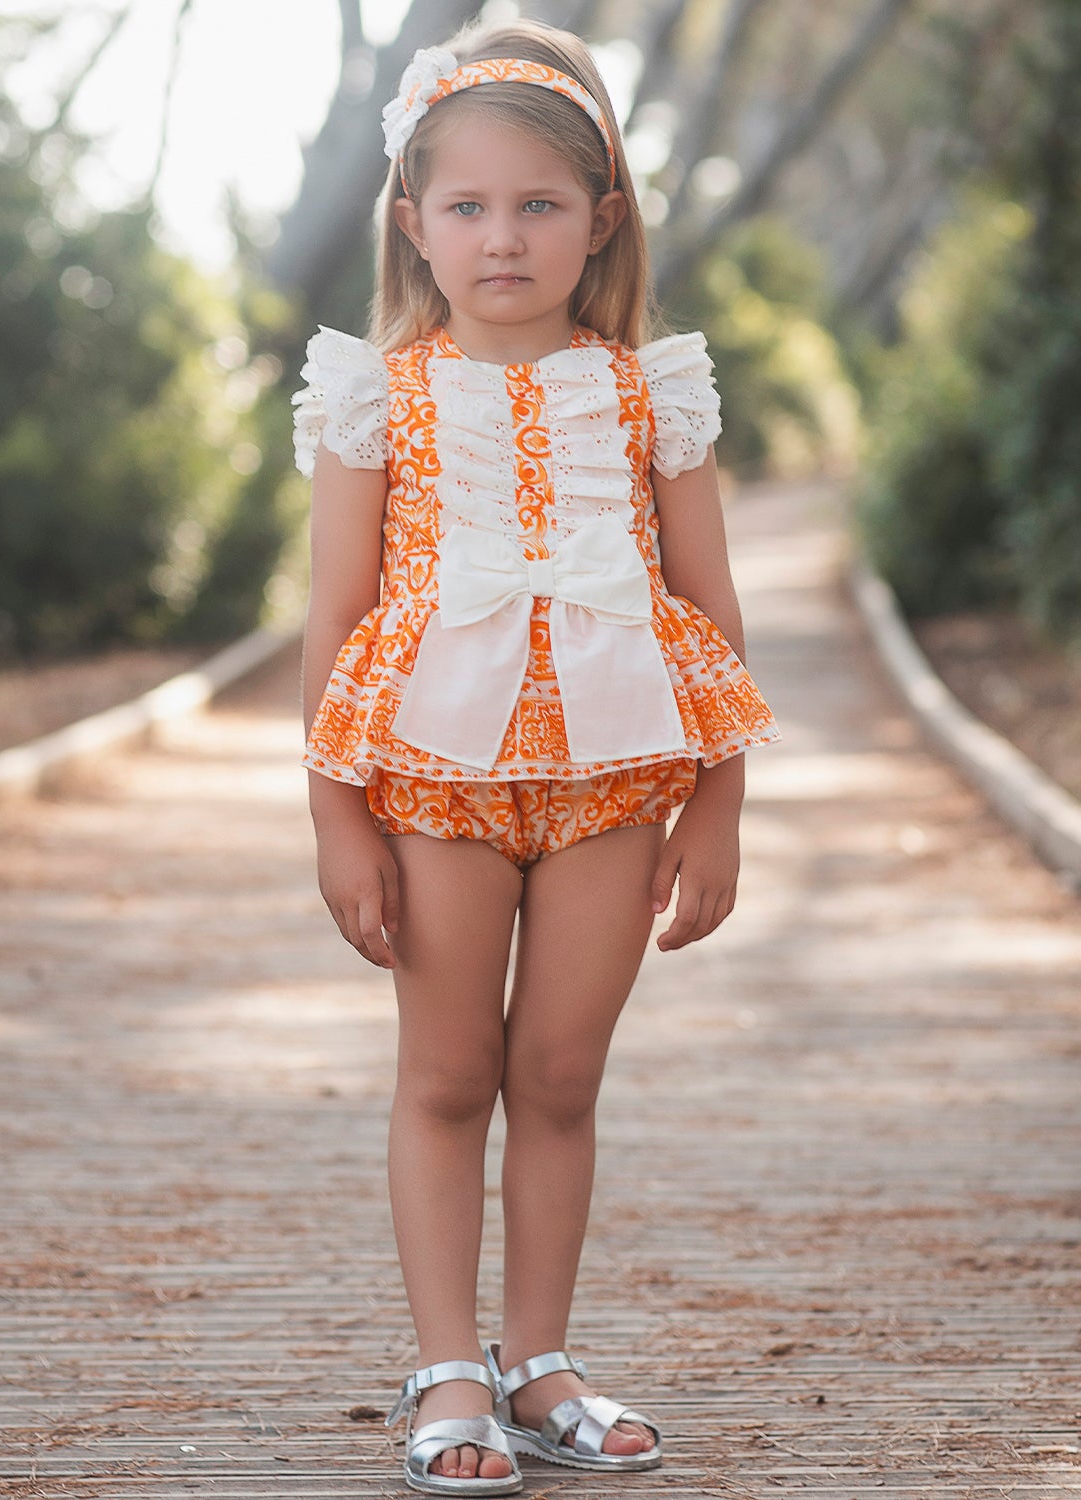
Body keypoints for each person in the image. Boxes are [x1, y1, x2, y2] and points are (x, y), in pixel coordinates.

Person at [294, 19, 780, 1495]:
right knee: (448, 1076)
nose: (502, 237)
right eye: (468, 206)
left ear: (600, 220)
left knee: (560, 1076)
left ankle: (540, 1358)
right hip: (435, 784)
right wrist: (336, 823)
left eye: (539, 205)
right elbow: (332, 624)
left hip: (618, 786)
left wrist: (724, 804)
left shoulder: (651, 397)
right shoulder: (375, 397)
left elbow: (710, 613)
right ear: (415, 225)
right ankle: (448, 1368)